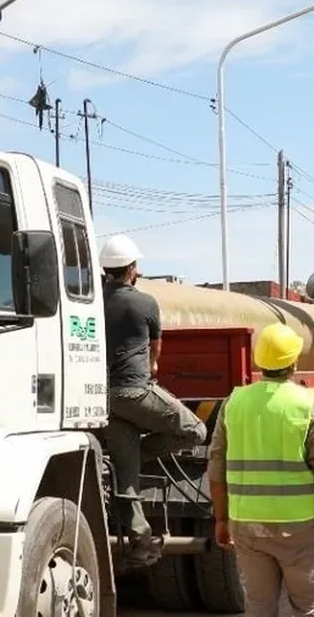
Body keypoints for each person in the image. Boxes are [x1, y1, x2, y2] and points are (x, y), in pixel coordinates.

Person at [209, 322, 314, 617]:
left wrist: (221, 518)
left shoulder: (233, 403)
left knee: (258, 608)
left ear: (260, 361)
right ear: (293, 362)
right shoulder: (307, 405)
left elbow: (216, 468)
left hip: (246, 524)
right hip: (298, 526)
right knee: (309, 608)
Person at [100, 234, 210, 568]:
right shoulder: (145, 302)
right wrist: (150, 369)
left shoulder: (91, 301)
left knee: (126, 473)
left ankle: (141, 541)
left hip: (103, 399)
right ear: (131, 269)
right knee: (195, 431)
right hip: (135, 390)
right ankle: (140, 453)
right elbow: (155, 352)